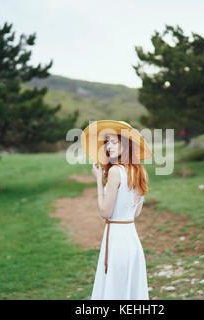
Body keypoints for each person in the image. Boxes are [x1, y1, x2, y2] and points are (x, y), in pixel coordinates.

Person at [80, 120, 153, 300]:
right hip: (132, 241)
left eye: (114, 142)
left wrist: (98, 180)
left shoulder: (115, 172)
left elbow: (105, 212)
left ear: (125, 144)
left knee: (115, 294)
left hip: (116, 241)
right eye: (107, 142)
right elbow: (135, 213)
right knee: (129, 295)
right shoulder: (140, 173)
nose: (108, 147)